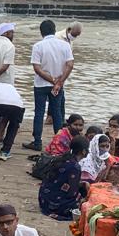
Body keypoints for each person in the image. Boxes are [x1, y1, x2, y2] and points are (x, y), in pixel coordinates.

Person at [25, 19, 73, 152]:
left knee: (39, 112)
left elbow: (37, 68)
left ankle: (37, 141)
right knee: (57, 112)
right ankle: (60, 142)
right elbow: (70, 65)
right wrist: (59, 82)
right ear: (54, 30)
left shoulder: (38, 46)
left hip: (41, 84)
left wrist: (51, 80)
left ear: (41, 32)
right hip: (58, 84)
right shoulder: (65, 45)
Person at [39, 134, 87, 220]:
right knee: (83, 207)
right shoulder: (75, 167)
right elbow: (72, 192)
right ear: (83, 151)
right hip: (55, 205)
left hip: (44, 199)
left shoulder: (62, 158)